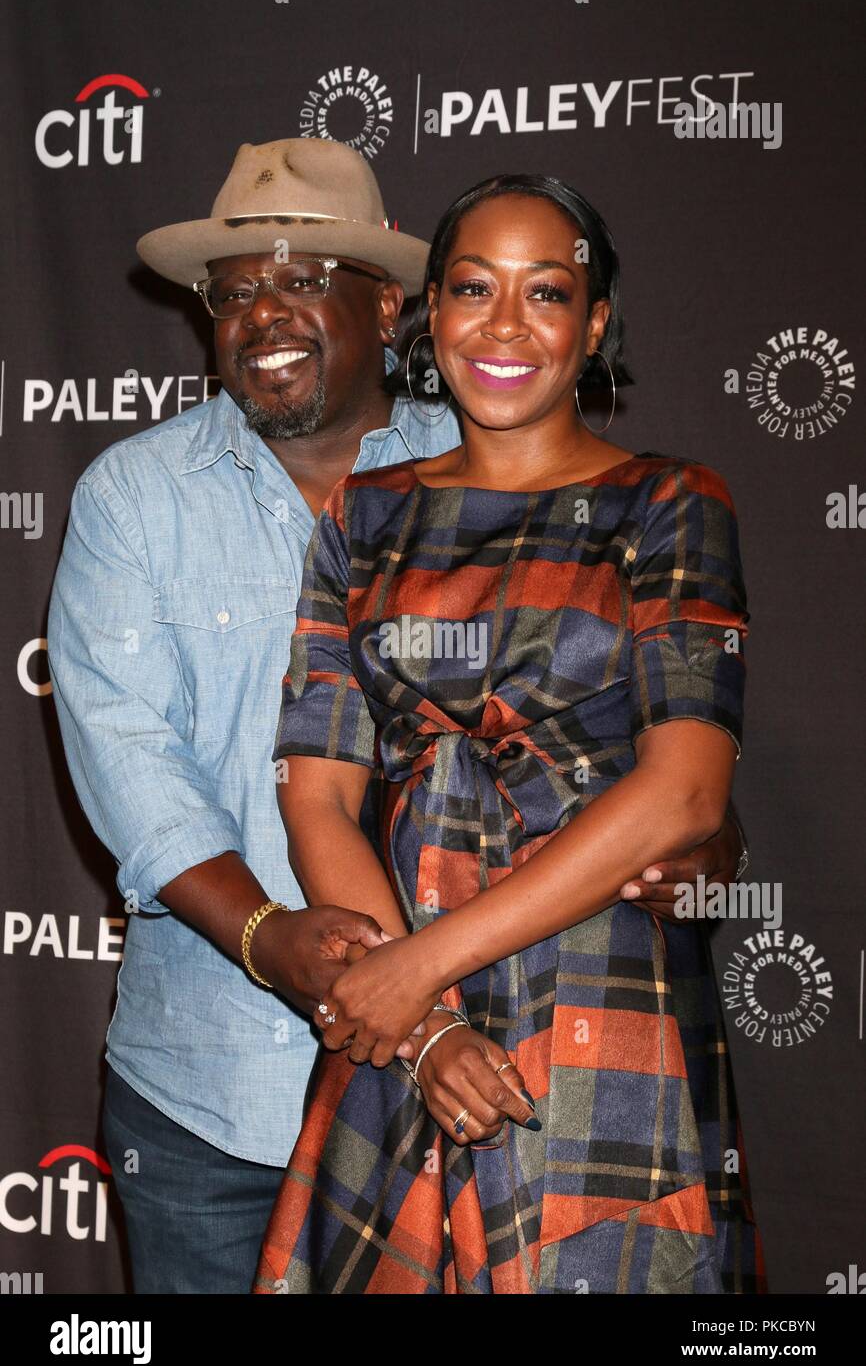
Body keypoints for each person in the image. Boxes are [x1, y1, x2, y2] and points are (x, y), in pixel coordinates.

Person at [47, 138, 743, 1294]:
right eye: (232, 293)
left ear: (387, 305)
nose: (262, 312)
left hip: (547, 1042)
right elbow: (140, 772)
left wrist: (706, 844)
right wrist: (312, 961)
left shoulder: (561, 469)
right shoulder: (141, 495)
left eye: (302, 280)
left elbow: (660, 766)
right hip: (216, 1078)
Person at [254, 174, 765, 1295]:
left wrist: (413, 978)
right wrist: (427, 1030)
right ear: (428, 311)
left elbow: (682, 795)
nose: (502, 325)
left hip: (594, 998)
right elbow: (319, 794)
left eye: (546, 293)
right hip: (401, 1029)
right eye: (473, 287)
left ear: (593, 326)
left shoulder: (670, 503)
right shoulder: (361, 515)